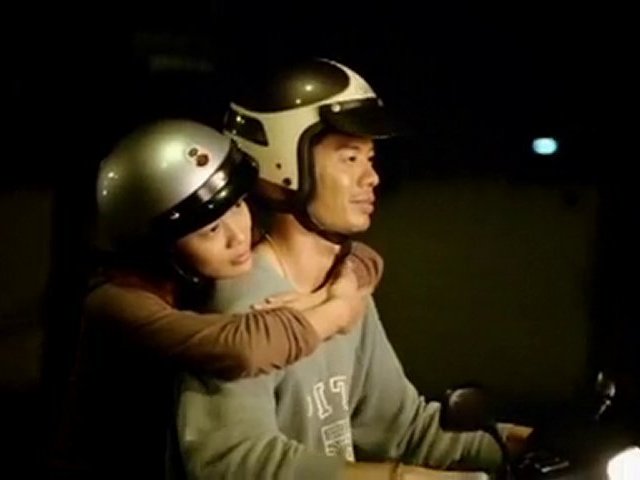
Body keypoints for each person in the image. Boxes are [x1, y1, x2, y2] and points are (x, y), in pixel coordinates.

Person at [177, 58, 531, 479]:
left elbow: (403, 428)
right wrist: (400, 477)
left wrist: (530, 443)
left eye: (370, 158)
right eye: (349, 158)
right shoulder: (242, 308)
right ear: (284, 163)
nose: (372, 177)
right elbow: (233, 461)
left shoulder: (344, 288)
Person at [50, 119, 385, 478]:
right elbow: (239, 349)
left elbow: (354, 254)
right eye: (211, 230)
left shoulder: (212, 260)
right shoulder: (116, 302)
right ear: (162, 247)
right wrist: (339, 310)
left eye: (238, 205)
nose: (238, 235)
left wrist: (345, 282)